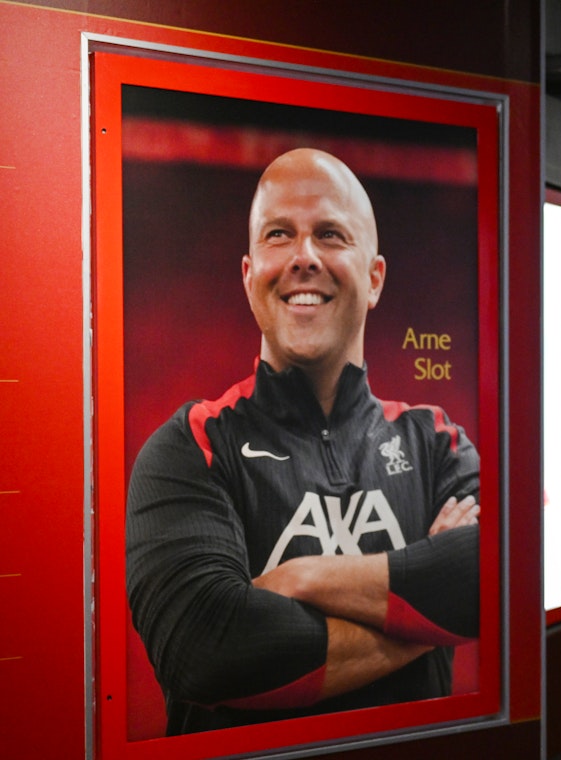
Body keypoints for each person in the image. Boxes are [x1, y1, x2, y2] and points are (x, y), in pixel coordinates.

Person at [125, 148, 481, 735]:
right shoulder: (191, 447)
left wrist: (301, 578)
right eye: (279, 235)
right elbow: (208, 651)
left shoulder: (434, 442)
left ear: (374, 279)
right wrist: (430, 620)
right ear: (248, 276)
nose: (304, 258)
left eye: (330, 234)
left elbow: (497, 578)